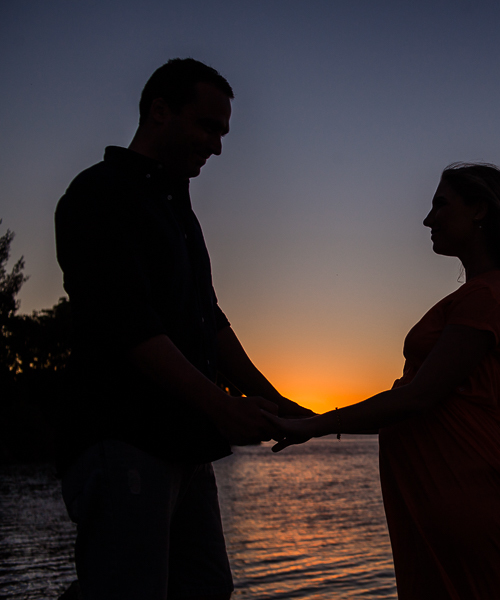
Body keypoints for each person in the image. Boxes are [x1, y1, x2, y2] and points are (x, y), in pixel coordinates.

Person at [54, 58, 312, 600]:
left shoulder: (178, 211)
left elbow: (208, 319)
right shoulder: (99, 193)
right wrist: (223, 407)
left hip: (187, 446)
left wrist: (274, 399)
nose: (216, 146)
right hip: (125, 438)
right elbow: (128, 325)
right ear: (160, 111)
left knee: (208, 588)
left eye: (223, 133)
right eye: (208, 127)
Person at [266, 163, 500, 599]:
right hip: (450, 490)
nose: (428, 219)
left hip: (468, 491)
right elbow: (424, 405)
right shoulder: (484, 293)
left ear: (479, 210)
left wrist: (314, 425)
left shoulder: (487, 295)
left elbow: (418, 397)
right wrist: (313, 419)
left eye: (440, 205)